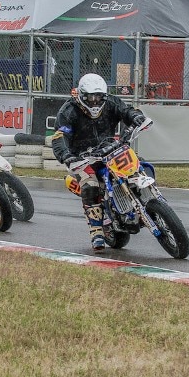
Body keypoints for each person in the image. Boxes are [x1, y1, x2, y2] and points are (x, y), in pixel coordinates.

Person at [50, 73, 149, 250]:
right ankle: (96, 230)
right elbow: (60, 136)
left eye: (99, 97)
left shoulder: (111, 102)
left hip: (111, 149)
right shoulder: (68, 111)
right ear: (81, 95)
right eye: (91, 97)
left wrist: (135, 116)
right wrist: (66, 155)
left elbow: (126, 110)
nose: (95, 101)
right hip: (83, 158)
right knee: (91, 185)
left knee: (139, 164)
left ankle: (148, 201)